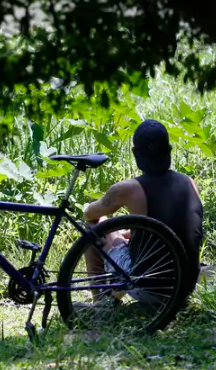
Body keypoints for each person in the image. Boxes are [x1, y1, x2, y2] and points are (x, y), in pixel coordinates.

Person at [81, 119, 204, 306]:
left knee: (93, 227)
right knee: (123, 233)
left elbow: (91, 215)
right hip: (184, 286)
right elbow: (172, 226)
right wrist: (130, 233)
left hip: (149, 288)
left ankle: (101, 303)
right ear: (169, 151)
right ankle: (110, 298)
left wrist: (90, 210)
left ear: (135, 153)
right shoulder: (189, 183)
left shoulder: (129, 189)